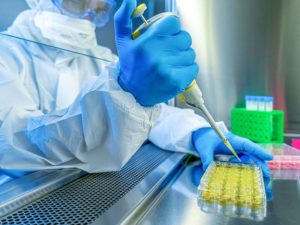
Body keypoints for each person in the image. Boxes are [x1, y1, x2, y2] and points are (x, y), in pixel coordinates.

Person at [0, 0, 273, 183]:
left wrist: (198, 132)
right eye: (80, 1)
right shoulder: (6, 54)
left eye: (100, 8)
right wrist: (124, 90)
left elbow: (152, 116)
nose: (89, 14)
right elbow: (16, 141)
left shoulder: (99, 57)